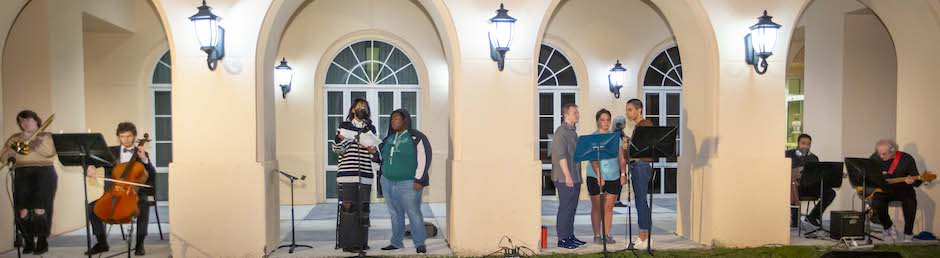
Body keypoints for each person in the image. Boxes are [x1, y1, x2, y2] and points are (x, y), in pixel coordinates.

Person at [83, 122, 156, 256]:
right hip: (113, 193)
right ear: (118, 137)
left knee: (143, 205)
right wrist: (90, 166)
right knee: (91, 208)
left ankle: (139, 244)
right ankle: (102, 243)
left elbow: (151, 175)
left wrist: (145, 160)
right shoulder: (110, 152)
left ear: (134, 137)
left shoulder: (141, 154)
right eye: (122, 136)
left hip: (135, 194)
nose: (126, 140)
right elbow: (90, 159)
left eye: (129, 136)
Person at [373, 109, 431, 254]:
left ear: (405, 120)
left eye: (397, 118)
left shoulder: (416, 137)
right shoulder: (389, 139)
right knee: (395, 213)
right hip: (387, 182)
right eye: (392, 119)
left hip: (409, 183)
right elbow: (381, 158)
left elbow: (424, 158)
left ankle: (419, 244)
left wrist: (419, 179)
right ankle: (396, 242)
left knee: (413, 213)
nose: (393, 121)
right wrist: (373, 152)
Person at [1, 110, 57, 255]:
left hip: (43, 172)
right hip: (21, 173)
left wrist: (32, 142)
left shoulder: (45, 135)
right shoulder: (15, 138)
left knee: (40, 209)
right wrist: (16, 147)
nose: (25, 123)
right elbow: (4, 156)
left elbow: (49, 152)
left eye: (28, 120)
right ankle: (29, 240)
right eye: (21, 121)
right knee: (23, 210)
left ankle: (42, 241)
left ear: (36, 121)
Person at [332, 98, 377, 252]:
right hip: (346, 175)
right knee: (348, 209)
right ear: (352, 110)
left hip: (364, 175)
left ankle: (362, 242)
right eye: (359, 107)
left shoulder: (370, 129)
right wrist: (353, 140)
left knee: (363, 209)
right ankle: (348, 244)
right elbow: (337, 149)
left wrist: (372, 150)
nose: (361, 109)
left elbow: (374, 151)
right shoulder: (344, 126)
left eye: (364, 107)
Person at [585, 109, 627, 245]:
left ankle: (607, 234)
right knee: (597, 206)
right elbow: (592, 159)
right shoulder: (593, 137)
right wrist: (599, 175)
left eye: (608, 120)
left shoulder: (615, 138)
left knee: (609, 207)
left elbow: (621, 157)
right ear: (597, 121)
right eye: (603, 120)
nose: (606, 122)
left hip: (613, 176)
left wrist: (623, 173)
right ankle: (597, 235)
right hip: (595, 176)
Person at [869, 139, 922, 242]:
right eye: (879, 153)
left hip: (903, 189)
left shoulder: (906, 159)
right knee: (876, 201)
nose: (881, 156)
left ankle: (908, 233)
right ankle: (888, 226)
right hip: (884, 190)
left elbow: (918, 181)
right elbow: (869, 175)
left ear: (893, 150)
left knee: (910, 201)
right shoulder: (875, 158)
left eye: (884, 154)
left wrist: (912, 181)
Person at [551, 103, 585, 249]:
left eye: (577, 112)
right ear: (566, 115)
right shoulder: (561, 132)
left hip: (574, 176)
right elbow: (561, 156)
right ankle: (562, 239)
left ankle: (570, 236)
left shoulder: (573, 132)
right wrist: (568, 176)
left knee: (572, 208)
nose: (577, 114)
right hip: (565, 178)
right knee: (565, 208)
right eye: (574, 112)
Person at [623, 99, 654, 249]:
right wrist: (626, 145)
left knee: (641, 201)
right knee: (641, 201)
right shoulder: (638, 127)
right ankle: (645, 235)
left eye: (630, 109)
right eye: (627, 110)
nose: (627, 113)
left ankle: (644, 237)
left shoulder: (645, 125)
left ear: (639, 110)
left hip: (641, 166)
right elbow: (631, 152)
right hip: (638, 165)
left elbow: (639, 150)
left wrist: (627, 146)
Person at [784, 134, 833, 228]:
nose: (806, 146)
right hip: (795, 187)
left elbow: (818, 175)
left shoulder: (814, 158)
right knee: (792, 188)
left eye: (808, 144)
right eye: (803, 143)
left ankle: (812, 216)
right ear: (798, 143)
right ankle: (794, 221)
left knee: (830, 192)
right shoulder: (788, 154)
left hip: (810, 187)